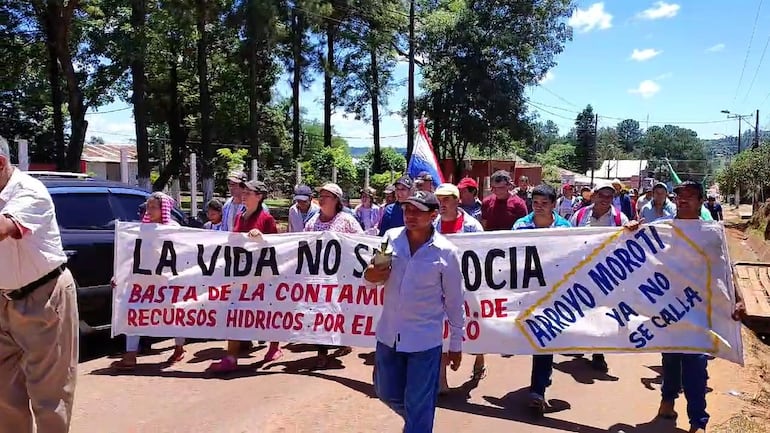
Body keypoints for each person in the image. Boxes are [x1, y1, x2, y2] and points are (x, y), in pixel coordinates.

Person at [365, 190, 464, 433]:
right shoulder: (390, 238)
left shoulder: (446, 252)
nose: (410, 215)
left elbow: (454, 300)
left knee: (419, 405)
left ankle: (417, 426)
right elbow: (370, 277)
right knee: (385, 392)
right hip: (388, 336)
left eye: (418, 211)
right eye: (407, 209)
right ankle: (416, 424)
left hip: (424, 342)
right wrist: (373, 274)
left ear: (433, 215)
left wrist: (456, 343)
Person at [650, 180, 745, 433]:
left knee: (696, 363)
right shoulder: (660, 229)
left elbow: (726, 268)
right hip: (669, 306)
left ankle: (698, 421)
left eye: (690, 196)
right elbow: (634, 254)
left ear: (701, 200)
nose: (684, 200)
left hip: (700, 307)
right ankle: (667, 401)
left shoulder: (711, 232)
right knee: (670, 358)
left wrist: (739, 297)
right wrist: (630, 230)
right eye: (680, 195)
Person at [0, 138, 79, 433]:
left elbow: (4, 228)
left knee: (50, 397)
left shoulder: (29, 191)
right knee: (4, 399)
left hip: (44, 297)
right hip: (3, 297)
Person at [207, 180, 282, 373]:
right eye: (244, 191)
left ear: (259, 196)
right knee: (235, 310)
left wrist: (261, 239)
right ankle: (231, 356)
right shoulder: (240, 217)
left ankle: (274, 345)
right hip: (241, 273)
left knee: (266, 311)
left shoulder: (266, 219)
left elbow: (277, 247)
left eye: (249, 192)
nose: (244, 195)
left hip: (261, 274)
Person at [510, 184, 573, 414]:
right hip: (527, 292)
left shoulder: (566, 228)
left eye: (544, 204)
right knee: (526, 337)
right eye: (535, 203)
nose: (538, 207)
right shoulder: (520, 226)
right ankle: (541, 380)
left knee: (544, 338)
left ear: (554, 205)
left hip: (553, 291)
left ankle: (537, 390)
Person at [111, 192, 187, 371]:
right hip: (143, 280)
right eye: (148, 207)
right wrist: (119, 275)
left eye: (154, 207)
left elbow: (184, 254)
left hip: (167, 280)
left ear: (164, 209)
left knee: (174, 313)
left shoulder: (173, 229)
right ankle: (130, 356)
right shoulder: (141, 230)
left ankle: (179, 348)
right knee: (134, 311)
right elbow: (131, 255)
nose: (150, 210)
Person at [569, 181, 631, 373]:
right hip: (582, 271)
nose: (605, 199)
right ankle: (582, 342)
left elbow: (628, 245)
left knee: (603, 312)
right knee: (583, 309)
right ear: (594, 196)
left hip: (608, 274)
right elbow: (567, 239)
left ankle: (599, 353)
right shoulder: (579, 215)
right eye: (602, 195)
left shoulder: (620, 218)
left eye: (609, 196)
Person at [432, 183, 485, 394]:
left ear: (456, 200)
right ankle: (441, 380)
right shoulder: (432, 224)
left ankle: (479, 356)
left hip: (468, 284)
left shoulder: (472, 226)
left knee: (474, 324)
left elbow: (482, 254)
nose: (442, 204)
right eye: (439, 199)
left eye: (446, 199)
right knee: (440, 329)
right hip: (438, 285)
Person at [305, 183, 364, 368]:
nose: (321, 199)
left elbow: (361, 243)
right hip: (318, 275)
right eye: (320, 195)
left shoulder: (347, 220)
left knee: (339, 310)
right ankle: (321, 351)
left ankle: (343, 339)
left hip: (341, 275)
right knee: (319, 311)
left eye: (326, 196)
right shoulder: (312, 221)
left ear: (336, 200)